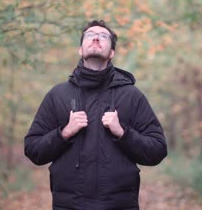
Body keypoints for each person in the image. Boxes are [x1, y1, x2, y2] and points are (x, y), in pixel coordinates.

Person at [24, 20, 167, 210]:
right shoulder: (58, 95)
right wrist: (64, 133)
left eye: (104, 36)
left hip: (119, 205)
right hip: (69, 205)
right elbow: (33, 149)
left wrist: (123, 133)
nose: (97, 38)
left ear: (111, 53)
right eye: (90, 35)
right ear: (80, 50)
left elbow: (157, 150)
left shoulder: (132, 96)